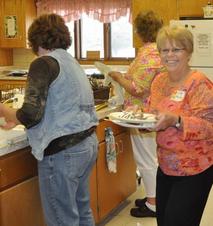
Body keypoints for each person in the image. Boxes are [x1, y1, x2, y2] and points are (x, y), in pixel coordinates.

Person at [0, 14, 99, 226]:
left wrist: (4, 110)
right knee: (82, 212)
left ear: (35, 40)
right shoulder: (70, 61)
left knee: (62, 220)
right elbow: (55, 105)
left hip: (63, 153)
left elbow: (30, 114)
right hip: (86, 145)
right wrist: (17, 120)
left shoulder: (43, 63)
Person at [146, 25, 213, 226]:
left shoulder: (199, 83)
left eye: (177, 49)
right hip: (165, 165)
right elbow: (152, 114)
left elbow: (210, 127)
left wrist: (177, 120)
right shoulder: (159, 81)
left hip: (194, 169)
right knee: (164, 221)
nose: (170, 55)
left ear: (189, 52)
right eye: (164, 50)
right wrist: (145, 122)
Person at [108, 10, 164, 217]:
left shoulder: (149, 53)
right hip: (153, 112)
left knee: (146, 159)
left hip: (143, 116)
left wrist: (116, 76)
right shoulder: (158, 50)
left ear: (140, 31)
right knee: (152, 158)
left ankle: (153, 204)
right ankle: (155, 196)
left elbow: (137, 89)